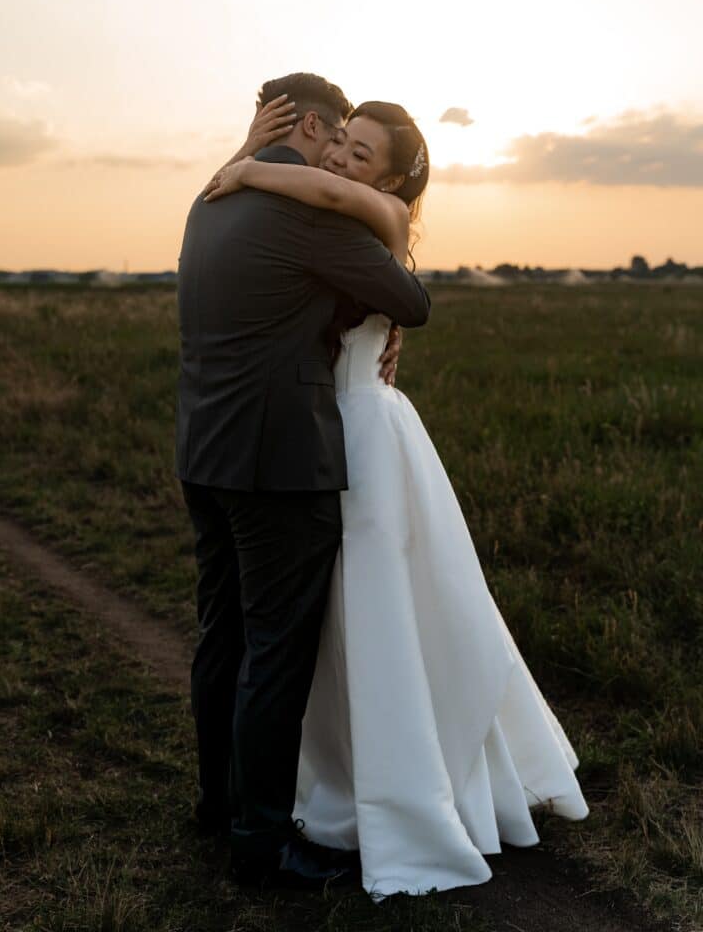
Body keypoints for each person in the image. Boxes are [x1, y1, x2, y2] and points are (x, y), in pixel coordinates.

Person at [203, 101, 589, 898]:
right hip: (319, 427)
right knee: (327, 621)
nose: (342, 160)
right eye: (340, 142)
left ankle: (380, 781)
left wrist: (249, 165)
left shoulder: (366, 213)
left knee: (377, 606)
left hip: (358, 435)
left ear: (392, 179)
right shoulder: (335, 220)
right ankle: (311, 784)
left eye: (361, 153)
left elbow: (353, 222)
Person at [175, 74, 431, 889]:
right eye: (337, 140)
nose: (338, 161)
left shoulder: (207, 199)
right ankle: (260, 842)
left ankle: (216, 805)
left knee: (223, 637)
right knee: (275, 653)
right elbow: (408, 299)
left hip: (203, 453)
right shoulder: (302, 213)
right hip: (278, 463)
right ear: (312, 126)